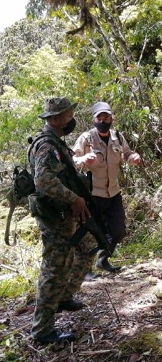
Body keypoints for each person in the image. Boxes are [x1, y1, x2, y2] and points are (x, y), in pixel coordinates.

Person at [29, 97, 95, 344]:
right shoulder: (47, 145)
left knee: (87, 248)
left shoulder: (57, 143)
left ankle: (65, 297)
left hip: (67, 216)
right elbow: (43, 181)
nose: (71, 119)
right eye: (67, 115)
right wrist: (73, 199)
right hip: (55, 218)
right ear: (55, 119)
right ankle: (42, 330)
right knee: (53, 270)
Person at [72, 101, 141, 273]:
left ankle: (103, 259)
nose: (103, 120)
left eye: (106, 117)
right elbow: (72, 160)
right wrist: (83, 159)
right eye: (100, 117)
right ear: (94, 119)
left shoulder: (117, 136)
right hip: (93, 193)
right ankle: (84, 271)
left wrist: (133, 157)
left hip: (114, 192)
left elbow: (126, 153)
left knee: (118, 232)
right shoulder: (86, 138)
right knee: (89, 235)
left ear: (112, 118)